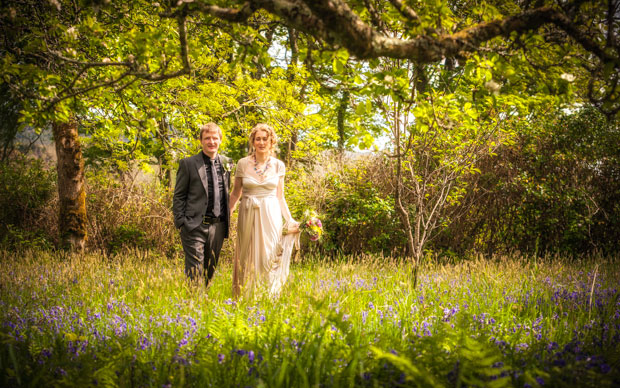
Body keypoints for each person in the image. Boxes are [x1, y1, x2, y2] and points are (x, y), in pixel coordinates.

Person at [229, 123, 299, 298]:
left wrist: (290, 220)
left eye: (264, 139)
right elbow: (236, 193)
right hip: (248, 213)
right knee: (247, 255)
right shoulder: (242, 164)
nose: (261, 142)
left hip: (271, 214)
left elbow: (280, 196)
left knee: (269, 254)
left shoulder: (278, 165)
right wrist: (226, 214)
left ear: (271, 141)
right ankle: (246, 296)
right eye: (257, 139)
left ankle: (267, 295)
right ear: (253, 141)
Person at [173, 122, 232, 287]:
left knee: (209, 271)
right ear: (201, 141)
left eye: (215, 138)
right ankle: (193, 306)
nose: (211, 142)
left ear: (220, 140)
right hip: (194, 225)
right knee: (195, 271)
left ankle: (202, 306)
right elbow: (179, 195)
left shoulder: (227, 163)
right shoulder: (188, 164)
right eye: (207, 138)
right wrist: (181, 222)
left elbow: (228, 193)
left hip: (218, 227)